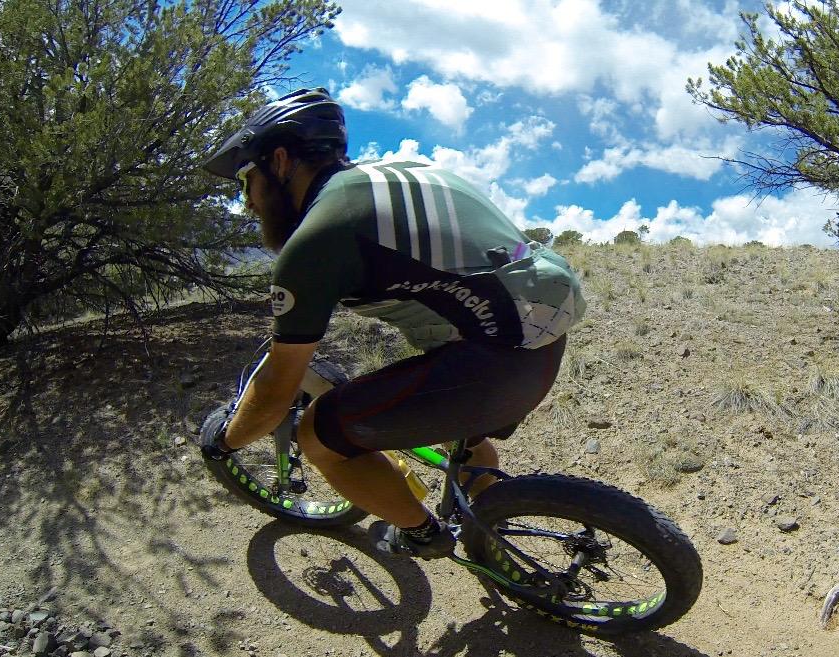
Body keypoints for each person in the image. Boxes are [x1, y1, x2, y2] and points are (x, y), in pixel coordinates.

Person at [201, 88, 585, 559]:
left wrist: (224, 442)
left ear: (280, 161)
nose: (249, 203)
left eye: (246, 182)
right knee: (454, 424)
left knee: (317, 434)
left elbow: (277, 394)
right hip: (540, 333)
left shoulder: (317, 239)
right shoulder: (405, 172)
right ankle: (489, 531)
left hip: (496, 364)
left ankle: (424, 534)